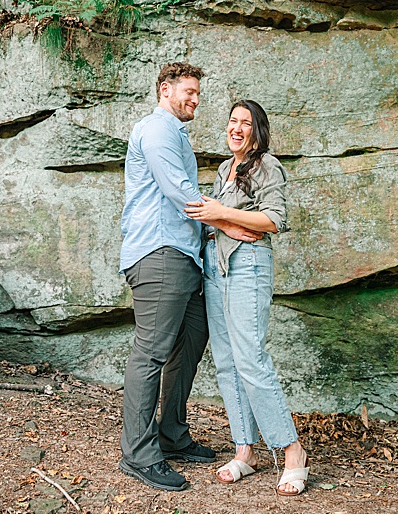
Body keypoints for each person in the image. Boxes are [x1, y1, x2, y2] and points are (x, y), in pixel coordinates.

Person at [117, 62, 258, 491]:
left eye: (198, 93)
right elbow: (180, 190)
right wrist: (229, 224)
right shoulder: (157, 130)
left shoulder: (176, 134)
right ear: (166, 90)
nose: (195, 99)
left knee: (191, 342)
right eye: (189, 92)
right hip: (159, 254)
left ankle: (172, 434)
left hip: (184, 258)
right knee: (152, 353)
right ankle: (139, 455)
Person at [183, 99, 309, 495]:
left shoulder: (267, 166)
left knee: (251, 359)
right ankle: (245, 451)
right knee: (226, 362)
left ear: (258, 130)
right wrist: (221, 220)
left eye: (246, 123)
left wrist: (223, 214)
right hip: (216, 269)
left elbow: (274, 220)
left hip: (248, 265)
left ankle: (292, 451)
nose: (237, 128)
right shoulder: (224, 168)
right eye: (233, 121)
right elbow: (214, 218)